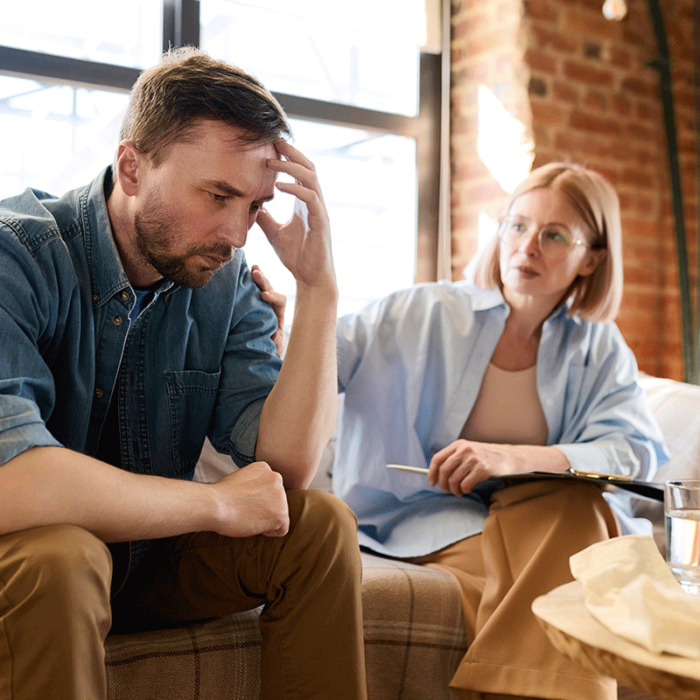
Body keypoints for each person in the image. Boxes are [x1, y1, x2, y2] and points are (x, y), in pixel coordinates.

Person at [0, 48, 367, 700]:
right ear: (133, 166)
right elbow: (13, 481)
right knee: (66, 556)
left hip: (149, 563)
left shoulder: (225, 283)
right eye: (218, 195)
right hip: (32, 558)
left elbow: (285, 471)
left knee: (320, 524)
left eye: (253, 206)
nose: (236, 234)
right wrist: (216, 503)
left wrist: (320, 288)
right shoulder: (17, 255)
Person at [259, 162, 668, 700]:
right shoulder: (422, 310)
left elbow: (636, 451)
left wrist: (519, 458)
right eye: (517, 226)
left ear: (591, 257)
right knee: (572, 563)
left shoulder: (599, 346)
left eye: (554, 235)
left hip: (542, 514)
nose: (527, 247)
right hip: (421, 517)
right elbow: (321, 361)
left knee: (576, 507)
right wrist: (281, 330)